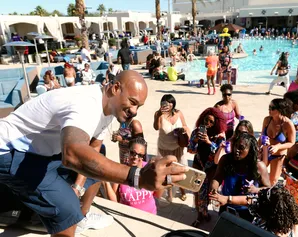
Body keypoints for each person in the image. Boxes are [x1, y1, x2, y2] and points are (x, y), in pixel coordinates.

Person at [0, 70, 188, 237]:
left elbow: (95, 149)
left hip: (43, 152)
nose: (134, 111)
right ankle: (72, 217)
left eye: (139, 106)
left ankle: (82, 216)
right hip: (11, 152)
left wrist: (78, 187)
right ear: (115, 88)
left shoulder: (108, 108)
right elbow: (72, 154)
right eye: (132, 103)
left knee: (99, 163)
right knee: (66, 211)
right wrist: (136, 176)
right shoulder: (86, 104)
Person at [209, 133, 270, 222]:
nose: (236, 150)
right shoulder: (226, 160)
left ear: (250, 150)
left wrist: (255, 189)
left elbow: (268, 189)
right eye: (235, 146)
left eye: (241, 148)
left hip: (247, 210)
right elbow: (217, 177)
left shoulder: (259, 167)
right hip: (226, 206)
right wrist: (213, 189)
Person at [188, 107, 227, 227]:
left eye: (211, 122)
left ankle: (205, 212)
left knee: (209, 192)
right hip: (198, 164)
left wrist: (209, 142)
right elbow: (190, 150)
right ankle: (199, 216)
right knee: (196, 191)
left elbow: (219, 155)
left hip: (211, 168)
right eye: (206, 120)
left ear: (216, 123)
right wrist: (195, 140)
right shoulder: (196, 132)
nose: (208, 124)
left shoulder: (220, 137)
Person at [106, 137, 164, 214]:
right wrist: (105, 181)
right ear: (128, 152)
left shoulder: (149, 169)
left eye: (140, 155)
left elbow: (158, 195)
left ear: (143, 156)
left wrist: (163, 176)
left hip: (150, 216)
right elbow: (114, 201)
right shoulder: (121, 170)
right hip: (128, 217)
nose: (135, 157)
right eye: (133, 153)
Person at [154, 94, 190, 202]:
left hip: (178, 148)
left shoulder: (178, 113)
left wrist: (183, 131)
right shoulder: (158, 114)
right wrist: (159, 115)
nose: (168, 104)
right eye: (165, 102)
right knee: (168, 172)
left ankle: (182, 191)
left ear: (173, 103)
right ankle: (169, 194)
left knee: (181, 170)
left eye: (170, 102)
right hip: (164, 149)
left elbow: (185, 126)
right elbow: (156, 127)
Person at [260, 98, 295, 185]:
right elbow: (262, 136)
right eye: (269, 107)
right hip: (264, 152)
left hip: (278, 156)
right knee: (258, 175)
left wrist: (277, 147)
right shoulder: (267, 120)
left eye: (272, 108)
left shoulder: (288, 124)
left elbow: (291, 142)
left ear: (280, 110)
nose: (269, 110)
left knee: (272, 181)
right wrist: (258, 147)